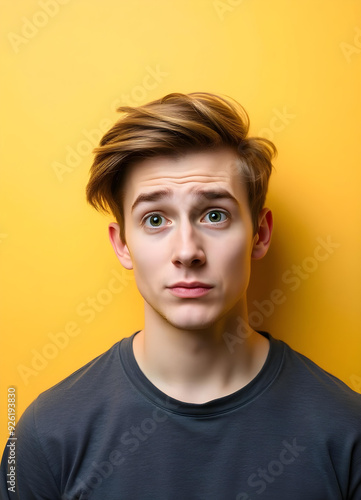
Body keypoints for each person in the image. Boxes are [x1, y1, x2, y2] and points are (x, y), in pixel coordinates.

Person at [1, 92, 360, 500]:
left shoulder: (347, 431)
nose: (187, 251)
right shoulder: (44, 435)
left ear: (260, 234)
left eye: (214, 215)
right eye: (155, 219)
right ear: (122, 246)